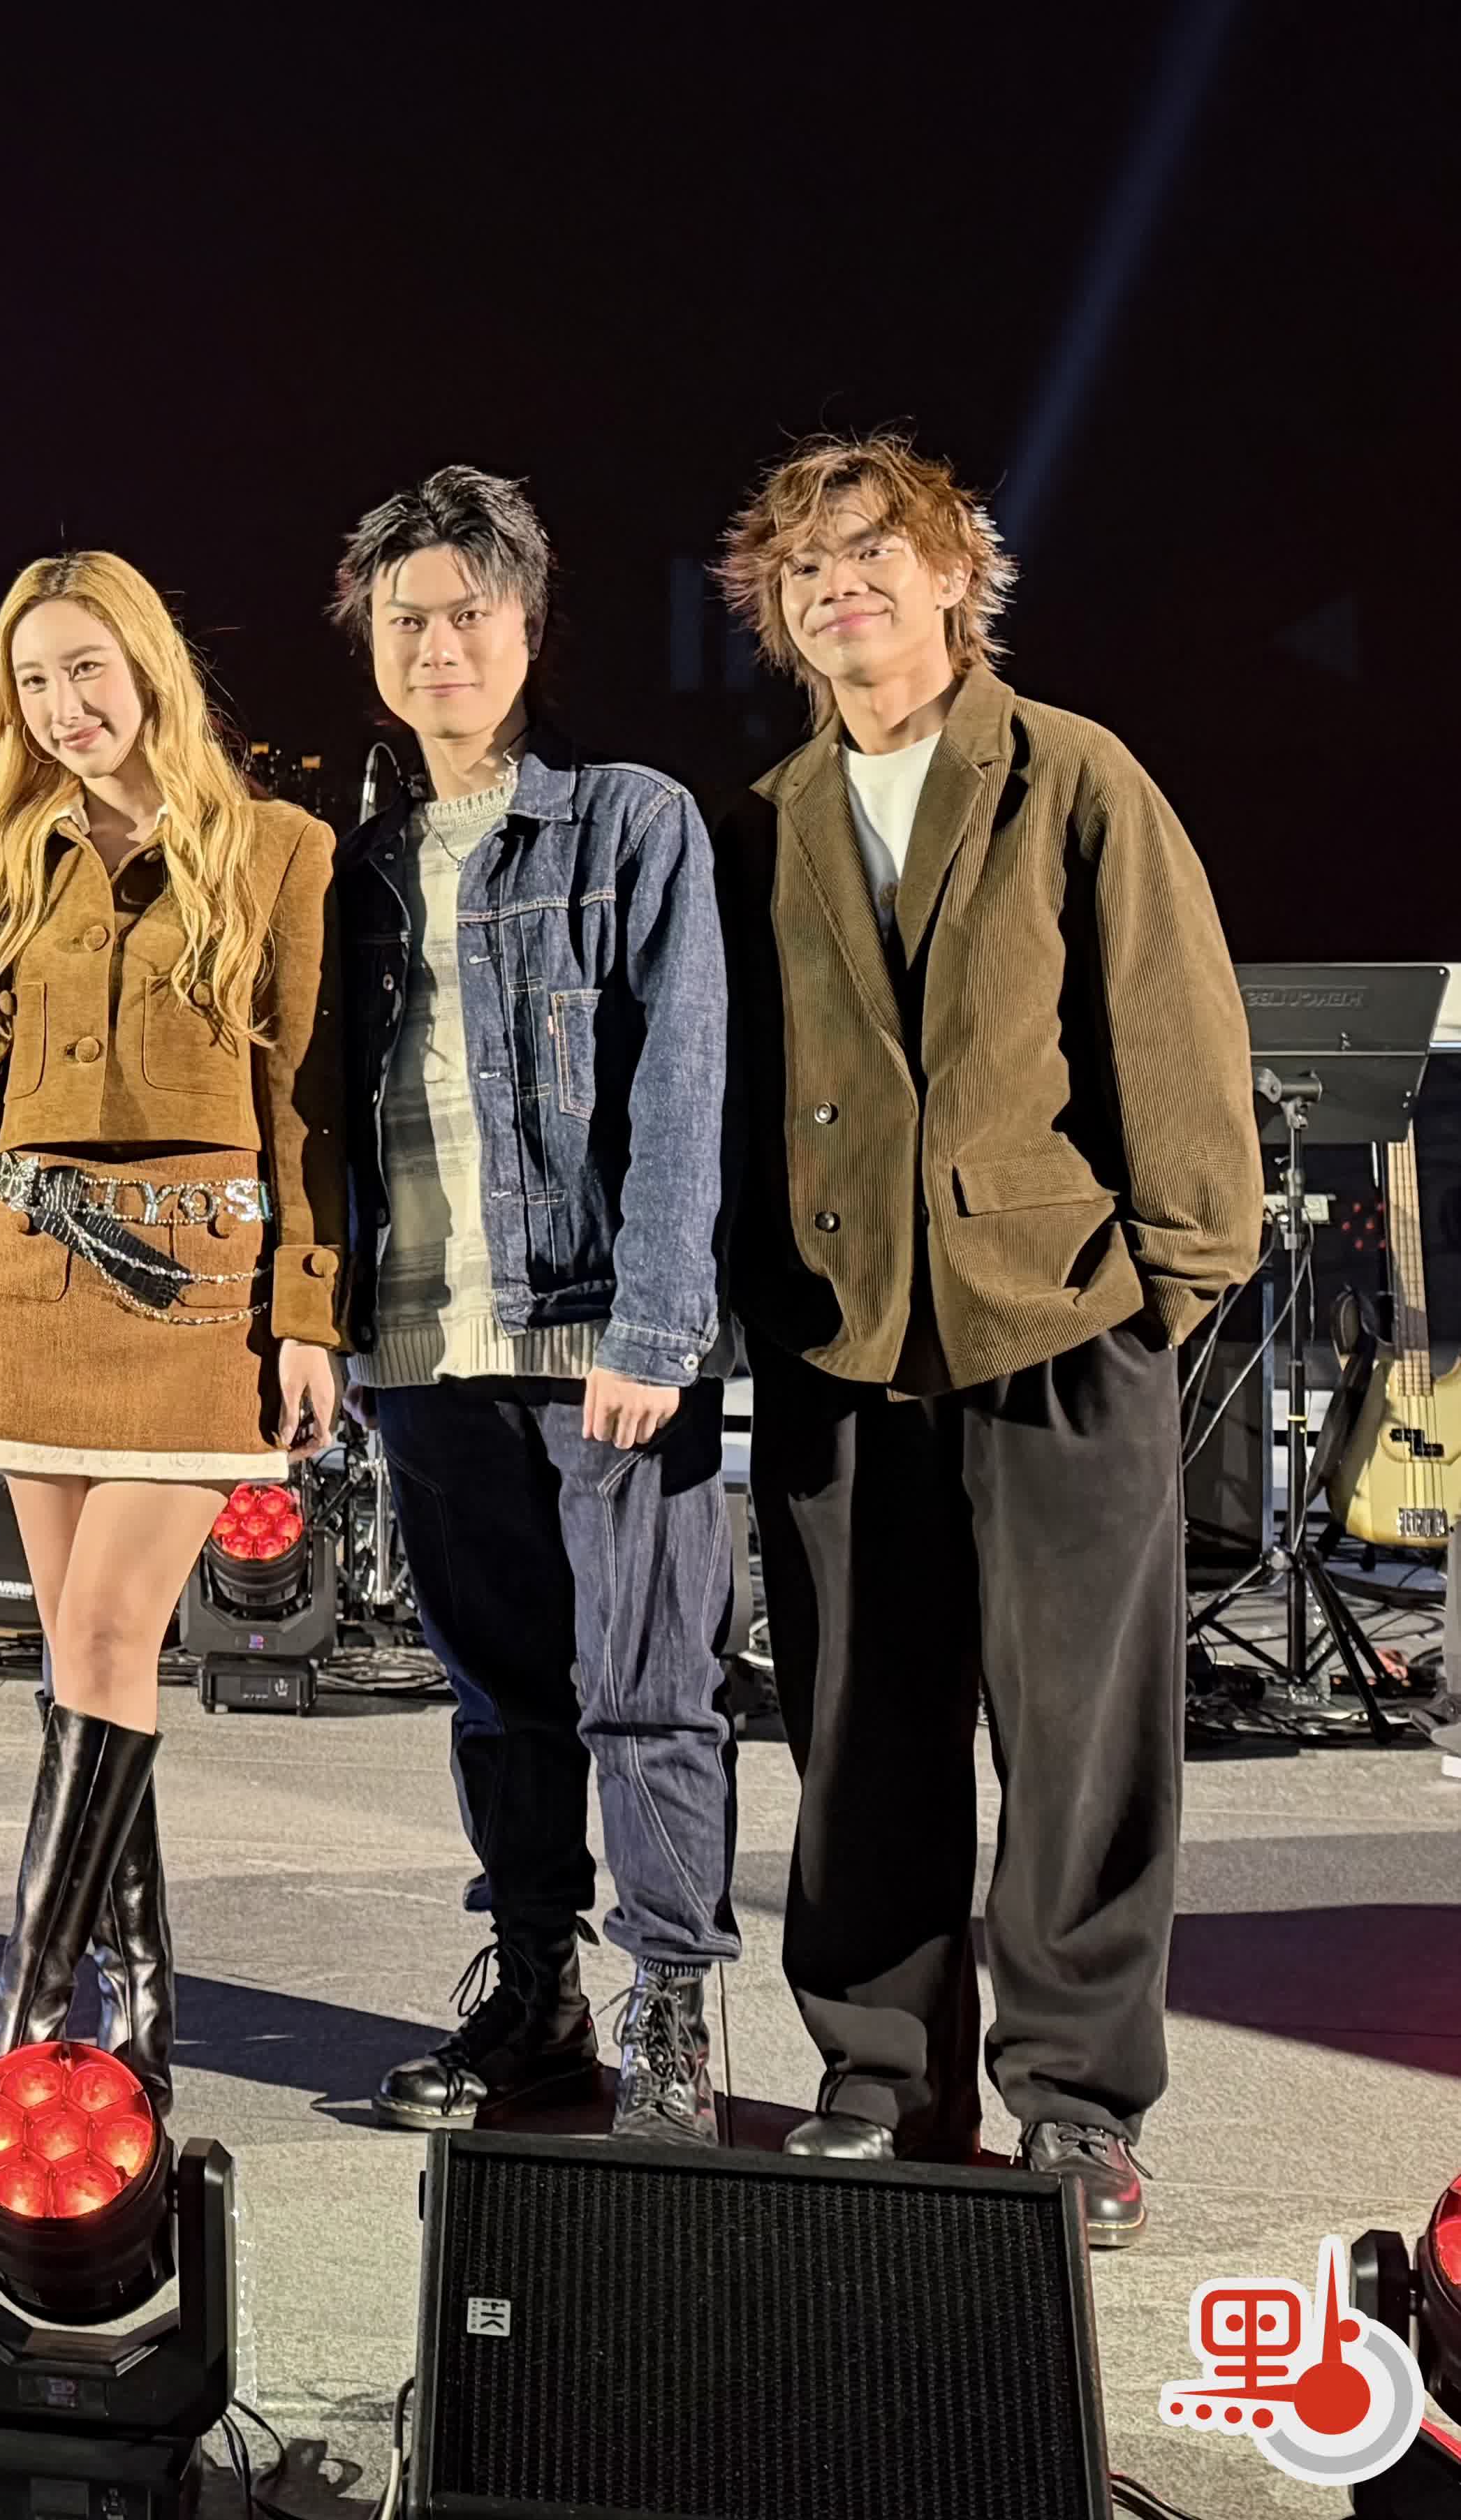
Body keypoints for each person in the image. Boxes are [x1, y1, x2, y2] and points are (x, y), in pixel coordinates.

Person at [714, 434, 1257, 2241]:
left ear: (957, 575)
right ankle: (881, 2076)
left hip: (1061, 1326)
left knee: (1080, 1742)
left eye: (874, 552)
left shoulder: (1072, 774)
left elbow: (1170, 1035)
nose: (839, 586)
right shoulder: (766, 817)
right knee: (856, 1726)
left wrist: (1163, 1285)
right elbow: (739, 1088)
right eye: (805, 569)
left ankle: (1076, 2104)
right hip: (839, 1342)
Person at [327, 471, 737, 2146]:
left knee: (649, 1685)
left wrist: (657, 1323)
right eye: (406, 619)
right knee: (502, 1695)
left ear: (529, 625)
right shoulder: (354, 864)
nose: (436, 645)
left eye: (467, 615)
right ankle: (539, 1992)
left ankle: (675, 2010)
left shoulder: (631, 821)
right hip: (424, 1339)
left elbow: (683, 1084)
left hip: (597, 1339)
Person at [0, 551, 342, 2121]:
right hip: (27, 1277)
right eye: (33, 681)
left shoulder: (280, 849)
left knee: (103, 1639)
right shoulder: (8, 857)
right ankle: (140, 2000)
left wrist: (307, 1310)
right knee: (89, 1663)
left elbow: (305, 1102)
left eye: (87, 667)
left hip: (199, 1289)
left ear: (150, 662)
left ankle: (26, 2014)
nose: (64, 705)